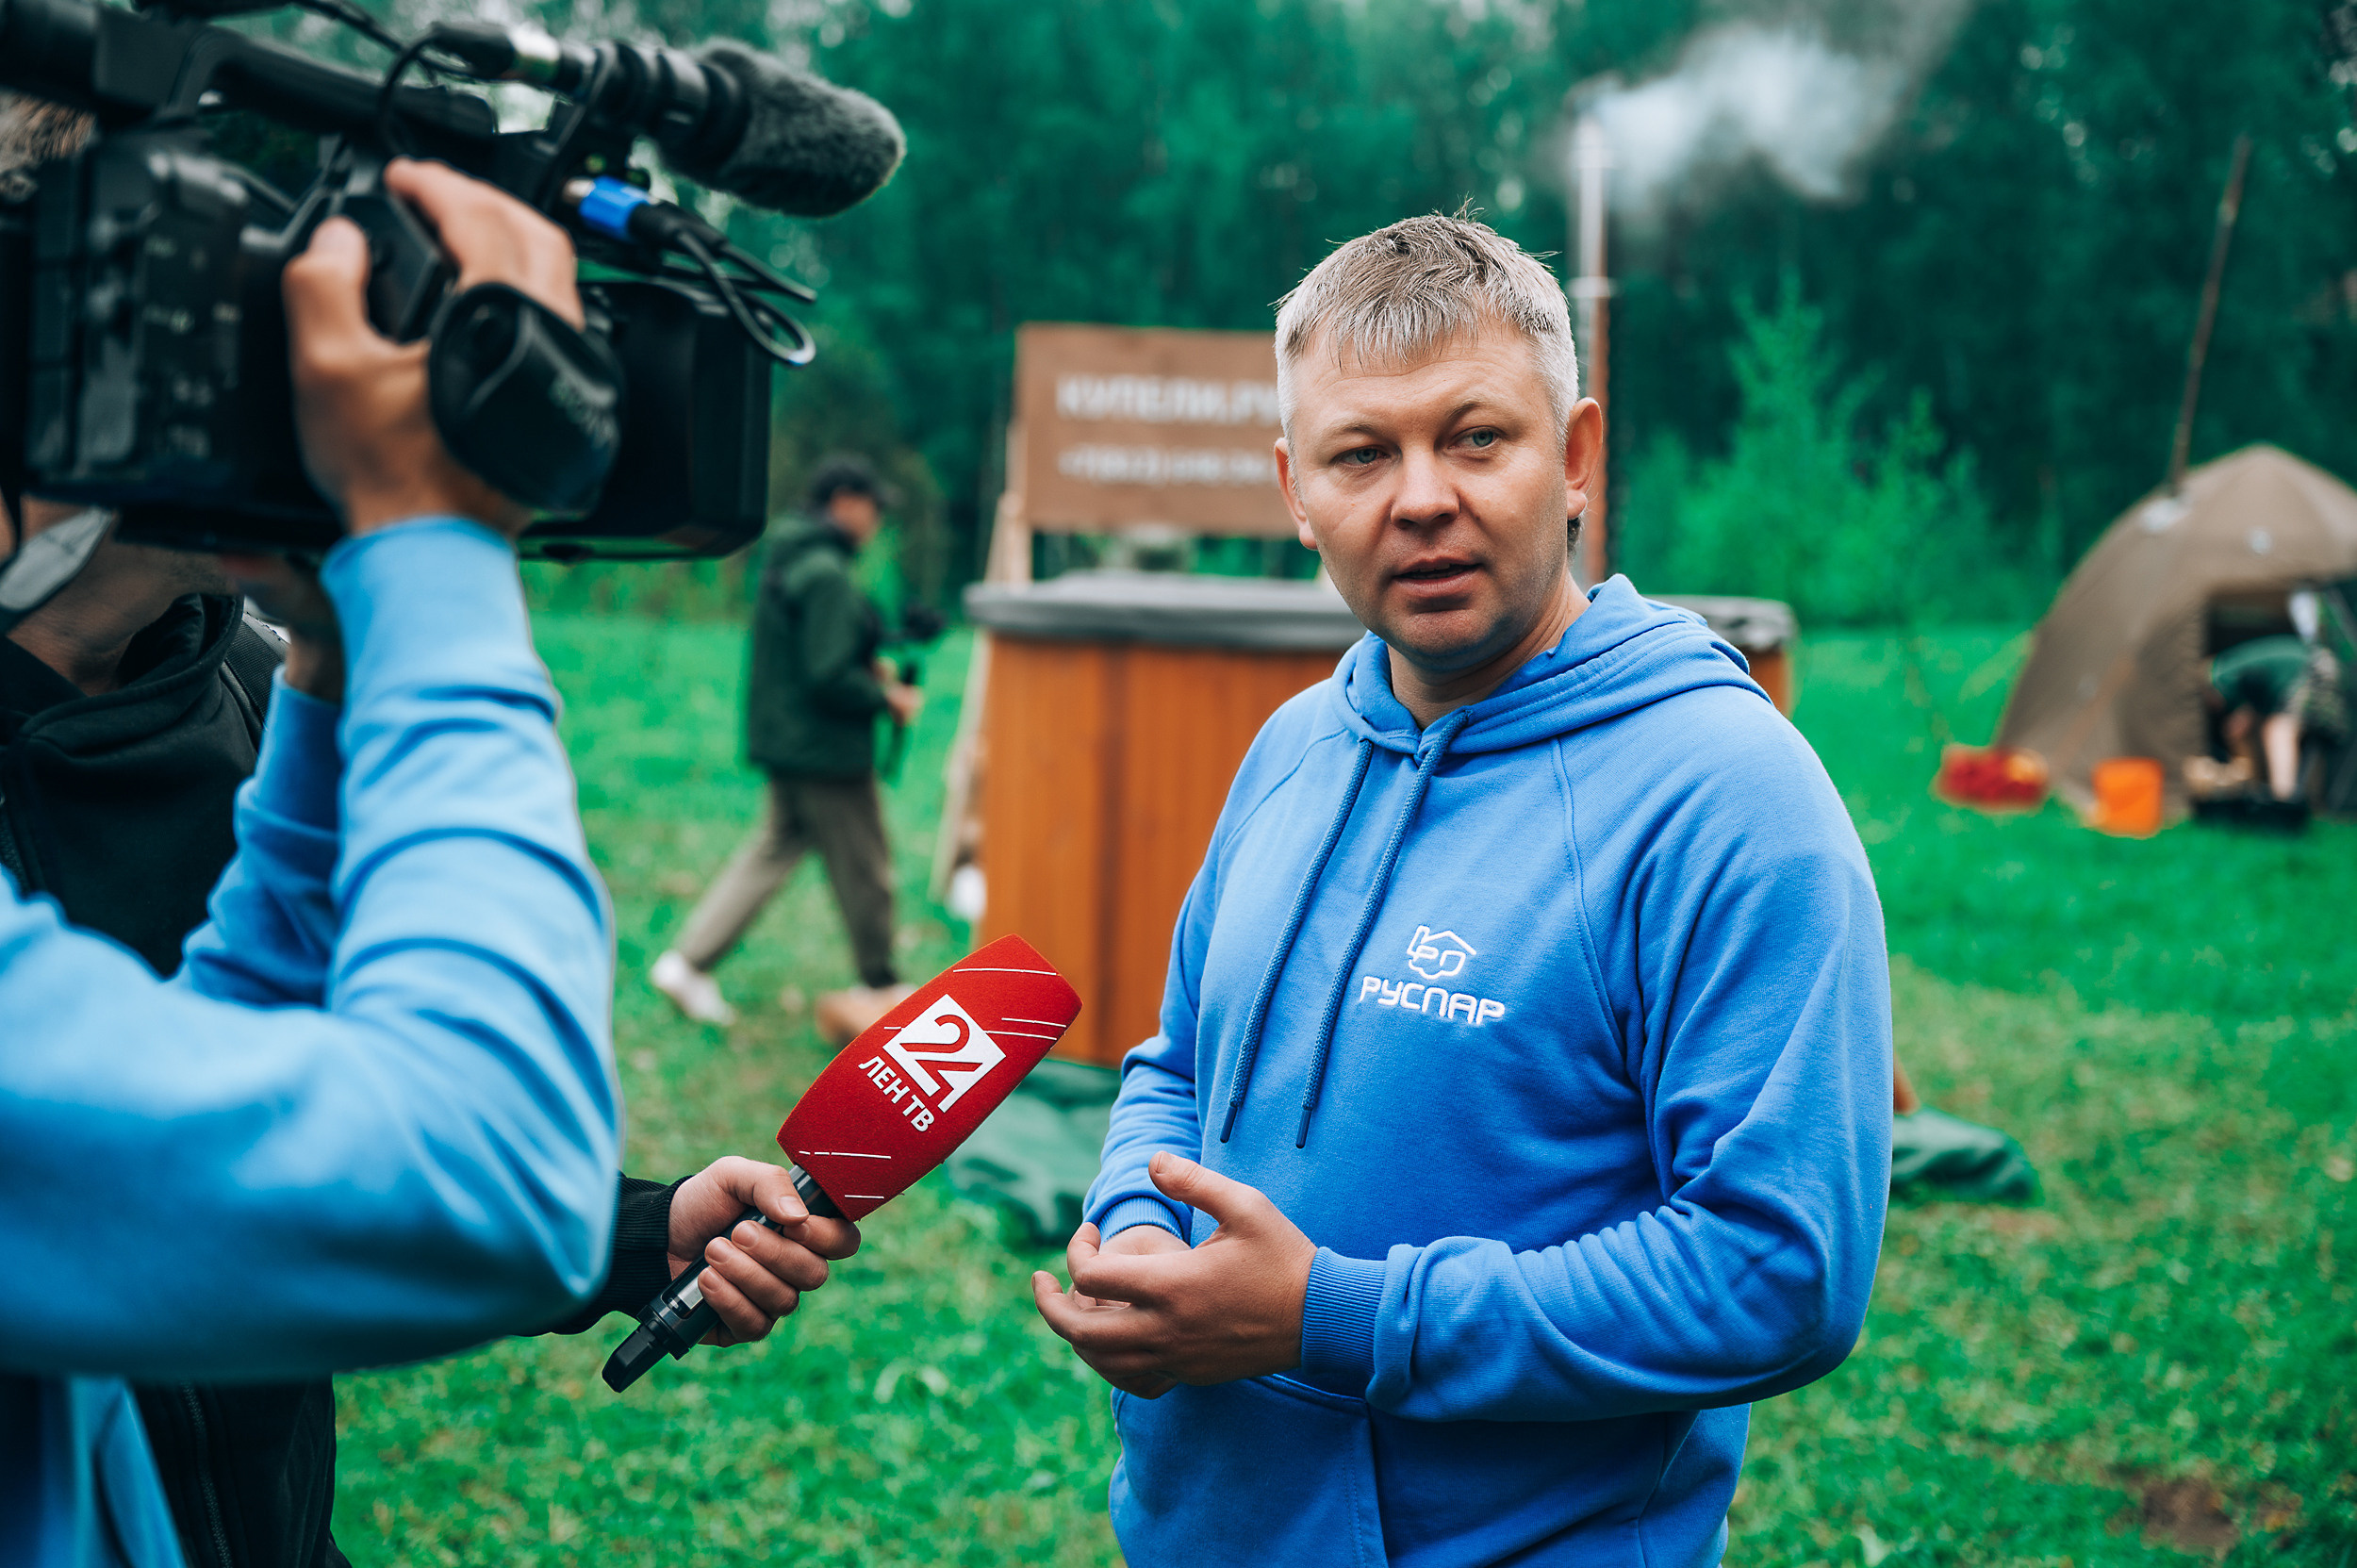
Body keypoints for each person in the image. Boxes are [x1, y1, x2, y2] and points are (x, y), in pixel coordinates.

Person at [0, 110, 843, 1564]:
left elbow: (199, 1141)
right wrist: (436, 556)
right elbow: (483, 1166)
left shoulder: (242, 674)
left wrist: (333, 663)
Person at [1031, 215, 1892, 1567]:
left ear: (1578, 458)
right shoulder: (1295, 744)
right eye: (1362, 453)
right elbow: (1179, 1063)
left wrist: (1336, 1314)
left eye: (1476, 436)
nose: (1420, 495)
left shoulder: (1729, 797)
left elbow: (1782, 1271)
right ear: (1294, 489)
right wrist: (1141, 1226)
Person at [651, 456, 921, 1028]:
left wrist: (861, 666)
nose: (875, 521)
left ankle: (687, 964)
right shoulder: (825, 572)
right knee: (867, 868)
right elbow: (827, 674)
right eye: (872, 507)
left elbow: (813, 655)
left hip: (789, 741)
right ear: (845, 501)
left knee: (771, 851)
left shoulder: (793, 556)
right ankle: (885, 988)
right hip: (823, 752)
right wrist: (886, 699)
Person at [2207, 591, 2347, 802]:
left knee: (2279, 730)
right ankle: (2288, 796)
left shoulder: (2219, 675)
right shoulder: (2239, 673)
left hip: (2313, 668)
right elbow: (2258, 687)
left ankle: (2282, 803)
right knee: (2292, 734)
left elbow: (2236, 700)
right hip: (2317, 667)